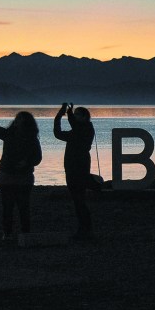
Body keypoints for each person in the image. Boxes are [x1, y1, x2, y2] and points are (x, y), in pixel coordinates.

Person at [0, 102, 42, 240]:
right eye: (17, 118)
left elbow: (38, 158)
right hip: (8, 176)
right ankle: (8, 233)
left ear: (26, 123)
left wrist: (26, 162)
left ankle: (24, 233)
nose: (17, 120)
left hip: (23, 177)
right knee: (8, 207)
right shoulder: (8, 134)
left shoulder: (32, 139)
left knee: (23, 207)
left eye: (20, 119)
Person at [54, 102, 100, 240]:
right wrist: (62, 115)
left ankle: (85, 229)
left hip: (78, 168)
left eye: (78, 115)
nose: (75, 117)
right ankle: (84, 229)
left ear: (85, 117)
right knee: (78, 200)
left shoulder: (84, 129)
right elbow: (59, 133)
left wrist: (65, 114)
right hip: (73, 168)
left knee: (79, 200)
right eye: (75, 115)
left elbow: (67, 128)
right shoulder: (80, 130)